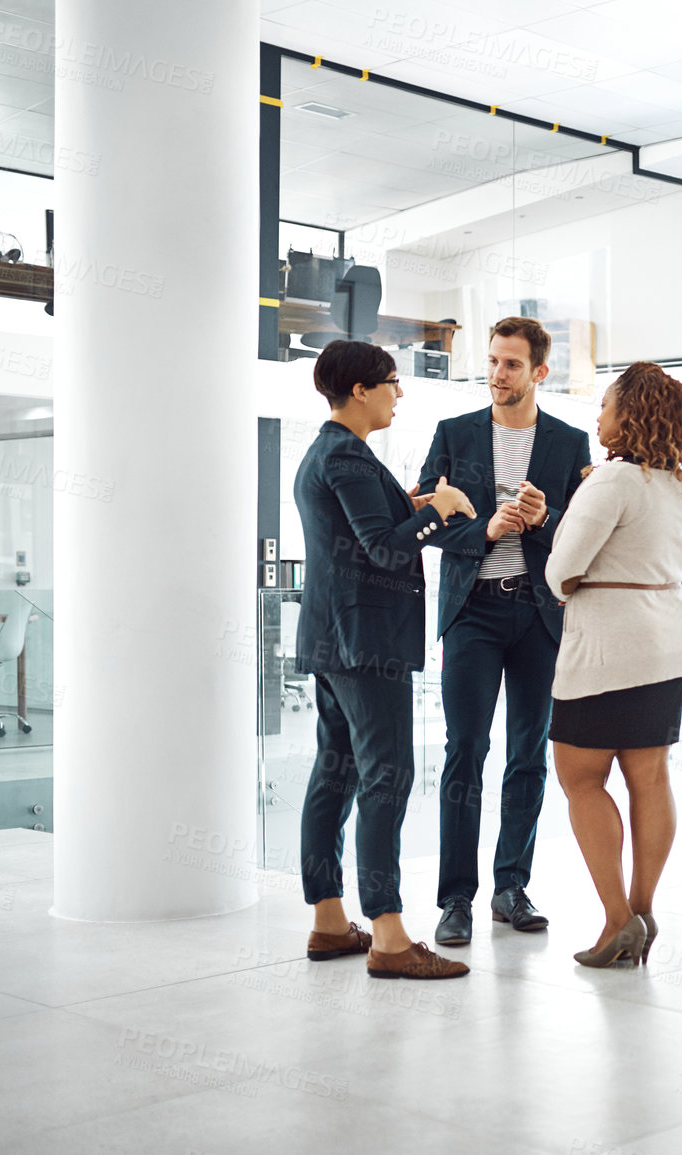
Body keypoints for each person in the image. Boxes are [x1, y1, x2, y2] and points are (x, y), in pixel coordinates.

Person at [294, 340, 473, 980]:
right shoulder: (347, 456)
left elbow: (365, 533)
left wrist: (419, 508)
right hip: (365, 644)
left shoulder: (334, 453)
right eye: (394, 383)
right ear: (363, 389)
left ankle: (329, 920)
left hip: (334, 638)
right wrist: (440, 512)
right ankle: (390, 936)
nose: (402, 393)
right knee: (386, 777)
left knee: (336, 776)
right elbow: (384, 551)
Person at [417, 316, 592, 948]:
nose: (497, 374)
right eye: (492, 361)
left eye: (511, 364)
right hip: (474, 613)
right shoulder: (453, 434)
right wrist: (485, 529)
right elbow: (424, 521)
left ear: (539, 372)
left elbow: (583, 538)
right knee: (465, 751)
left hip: (540, 616)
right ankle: (455, 898)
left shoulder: (571, 444)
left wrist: (545, 523)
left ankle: (510, 887)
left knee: (528, 757)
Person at [544, 362, 682, 968]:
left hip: (607, 645)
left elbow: (561, 570)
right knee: (651, 776)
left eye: (606, 405)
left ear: (629, 413)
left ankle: (616, 919)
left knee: (582, 778)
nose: (598, 416)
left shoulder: (610, 483)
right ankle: (642, 906)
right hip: (667, 640)